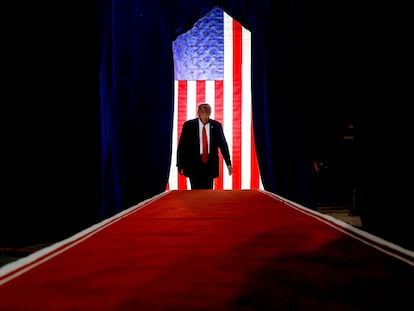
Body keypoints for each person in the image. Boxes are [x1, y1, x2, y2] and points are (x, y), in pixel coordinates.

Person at [177, 103, 233, 189]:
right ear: (198, 113)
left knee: (208, 191)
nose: (206, 115)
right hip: (193, 163)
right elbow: (182, 146)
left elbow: (223, 145)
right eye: (203, 112)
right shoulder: (189, 125)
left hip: (210, 163)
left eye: (208, 112)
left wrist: (228, 163)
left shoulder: (216, 126)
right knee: (195, 190)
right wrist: (180, 165)